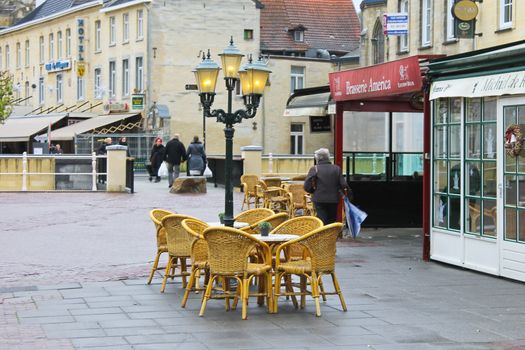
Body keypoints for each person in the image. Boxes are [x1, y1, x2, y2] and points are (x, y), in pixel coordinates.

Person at [304, 148, 350, 225]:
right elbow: (343, 184)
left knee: (322, 220)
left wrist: (313, 191)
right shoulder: (336, 168)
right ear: (328, 157)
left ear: (318, 158)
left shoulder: (315, 169)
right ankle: (331, 235)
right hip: (333, 199)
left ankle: (324, 235)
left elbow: (306, 186)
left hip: (319, 199)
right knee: (332, 220)